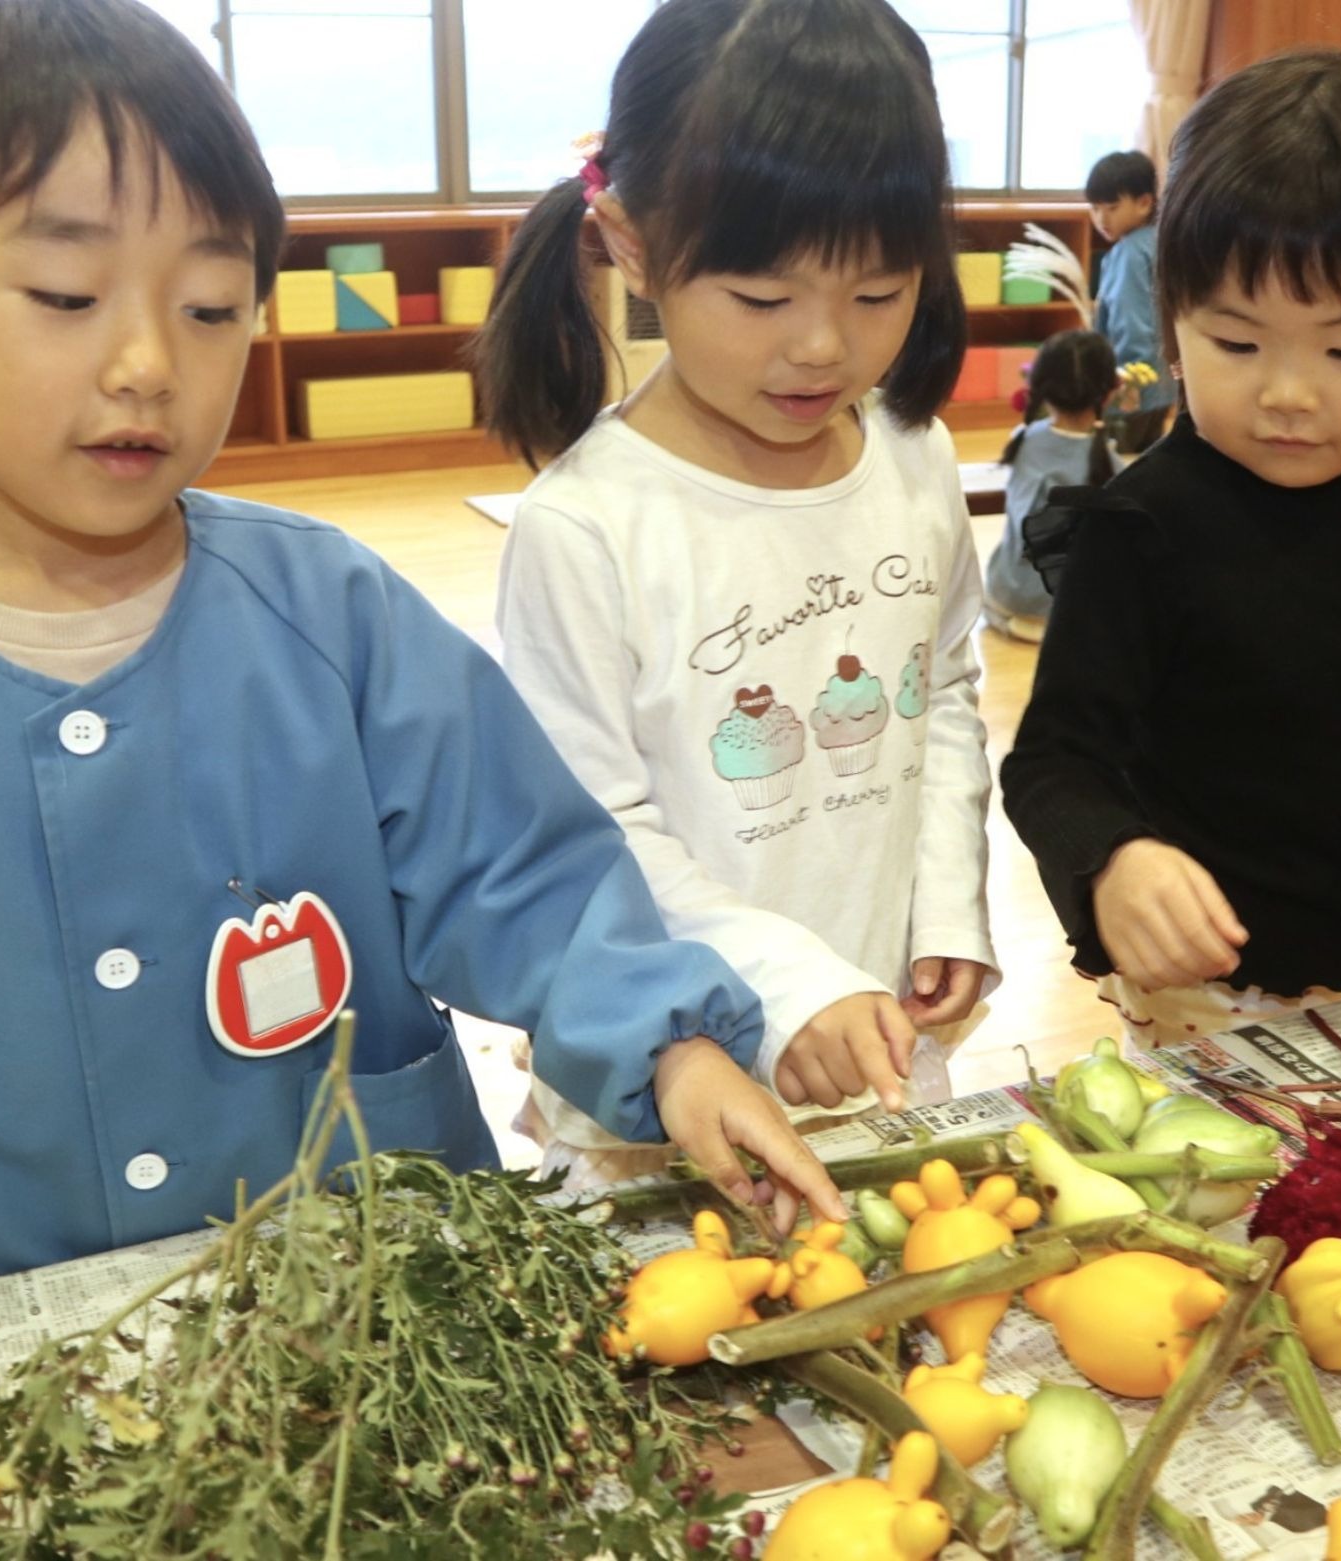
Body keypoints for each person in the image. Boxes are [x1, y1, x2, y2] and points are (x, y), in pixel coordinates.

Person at [0, 0, 843, 1431]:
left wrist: (670, 1039)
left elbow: (525, 872)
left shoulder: (334, 613)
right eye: (69, 299)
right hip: (12, 1340)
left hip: (379, 1320)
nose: (149, 361)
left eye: (209, 306)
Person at [481, 0, 997, 1185]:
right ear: (630, 242)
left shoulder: (912, 458)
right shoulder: (588, 527)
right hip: (664, 1089)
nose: (821, 347)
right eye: (761, 300)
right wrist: (790, 983)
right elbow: (591, 837)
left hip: (869, 1048)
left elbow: (945, 690)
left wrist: (945, 911)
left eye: (876, 293)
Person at [1002, 50, 1341, 1047]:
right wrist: (1115, 857)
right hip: (1193, 985)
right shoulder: (1145, 527)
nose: (1285, 394)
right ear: (1174, 319)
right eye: (1234, 343)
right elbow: (1052, 762)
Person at [983, 327, 1120, 641]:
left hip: (1004, 598)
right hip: (1065, 615)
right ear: (1111, 390)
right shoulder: (1111, 466)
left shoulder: (1021, 439)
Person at [1086, 151, 1173, 455]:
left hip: (1129, 388)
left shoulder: (1129, 254)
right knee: (1148, 464)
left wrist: (1126, 386)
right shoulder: (1159, 240)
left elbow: (1132, 325)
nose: (1101, 219)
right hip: (1162, 387)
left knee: (1116, 467)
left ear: (1144, 202)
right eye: (1094, 208)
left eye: (1112, 207)